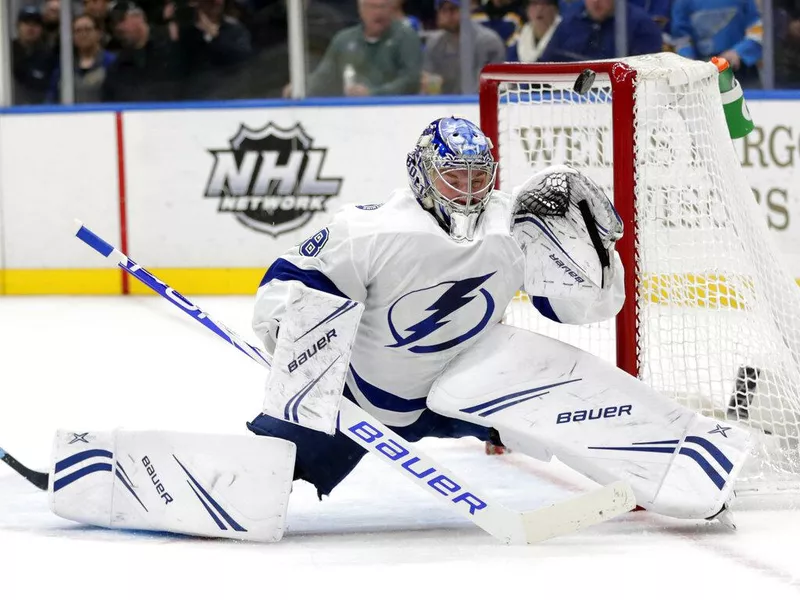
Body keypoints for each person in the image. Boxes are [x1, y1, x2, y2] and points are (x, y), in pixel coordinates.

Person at [248, 116, 747, 524]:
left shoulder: (516, 226)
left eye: (477, 175)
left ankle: (688, 460)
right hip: (358, 402)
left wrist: (596, 258)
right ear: (422, 174)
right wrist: (290, 342)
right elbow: (291, 284)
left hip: (459, 393)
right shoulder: (368, 230)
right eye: (454, 176)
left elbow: (577, 311)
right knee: (265, 472)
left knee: (556, 384)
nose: (467, 190)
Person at [283, 0, 422, 97]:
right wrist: (301, 88)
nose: (379, 13)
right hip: (352, 113)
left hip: (395, 112)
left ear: (392, 9)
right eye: (372, 7)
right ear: (360, 9)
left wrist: (373, 94)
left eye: (383, 7)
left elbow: (411, 80)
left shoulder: (405, 37)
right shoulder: (344, 40)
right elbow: (324, 77)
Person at [671, 0, 763, 88]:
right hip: (700, 73)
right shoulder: (682, 3)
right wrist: (688, 59)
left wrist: (739, 51)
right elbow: (680, 37)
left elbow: (757, 30)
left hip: (739, 69)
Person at [422, 0, 506, 94]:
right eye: (443, 10)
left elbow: (498, 85)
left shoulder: (488, 42)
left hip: (480, 104)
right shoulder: (434, 43)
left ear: (467, 10)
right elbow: (428, 82)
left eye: (453, 9)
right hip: (444, 105)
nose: (448, 15)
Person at [539, 0, 662, 61]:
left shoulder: (641, 25)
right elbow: (544, 65)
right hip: (570, 101)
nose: (596, 2)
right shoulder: (570, 23)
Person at [47, 14, 116, 103]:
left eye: (88, 29)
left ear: (98, 33)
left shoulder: (112, 63)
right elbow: (52, 96)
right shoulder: (64, 65)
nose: (83, 34)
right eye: (78, 31)